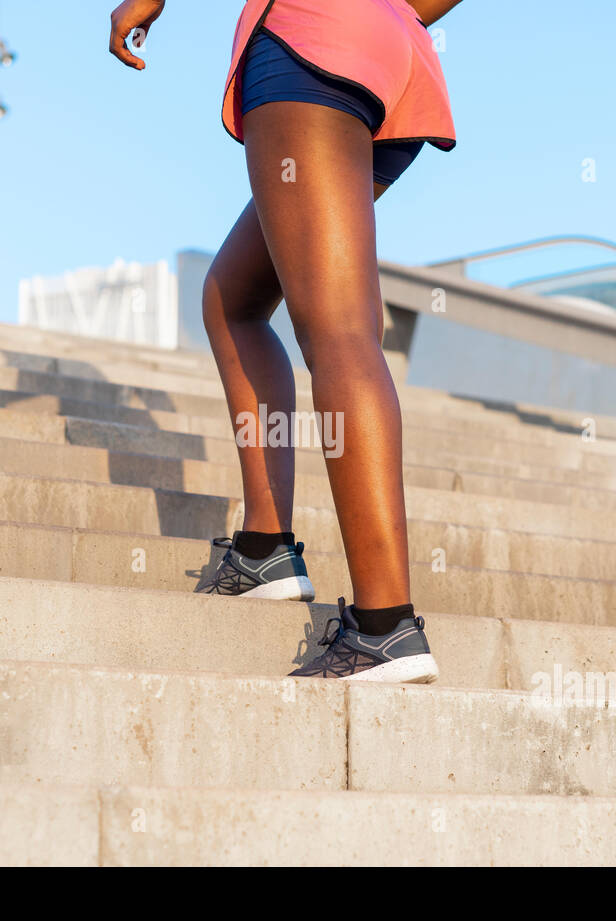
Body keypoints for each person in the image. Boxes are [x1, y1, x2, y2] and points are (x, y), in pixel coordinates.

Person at [109, 0, 462, 682]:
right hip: (392, 56)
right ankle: (263, 548)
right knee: (233, 298)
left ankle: (384, 626)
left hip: (309, 46)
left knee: (338, 331)